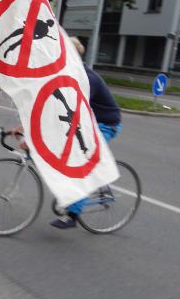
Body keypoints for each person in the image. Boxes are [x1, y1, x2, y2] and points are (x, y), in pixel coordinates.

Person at [9, 36, 121, 229]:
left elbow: (69, 112)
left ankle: (72, 215)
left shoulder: (87, 79)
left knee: (78, 161)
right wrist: (24, 127)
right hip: (84, 122)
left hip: (105, 124)